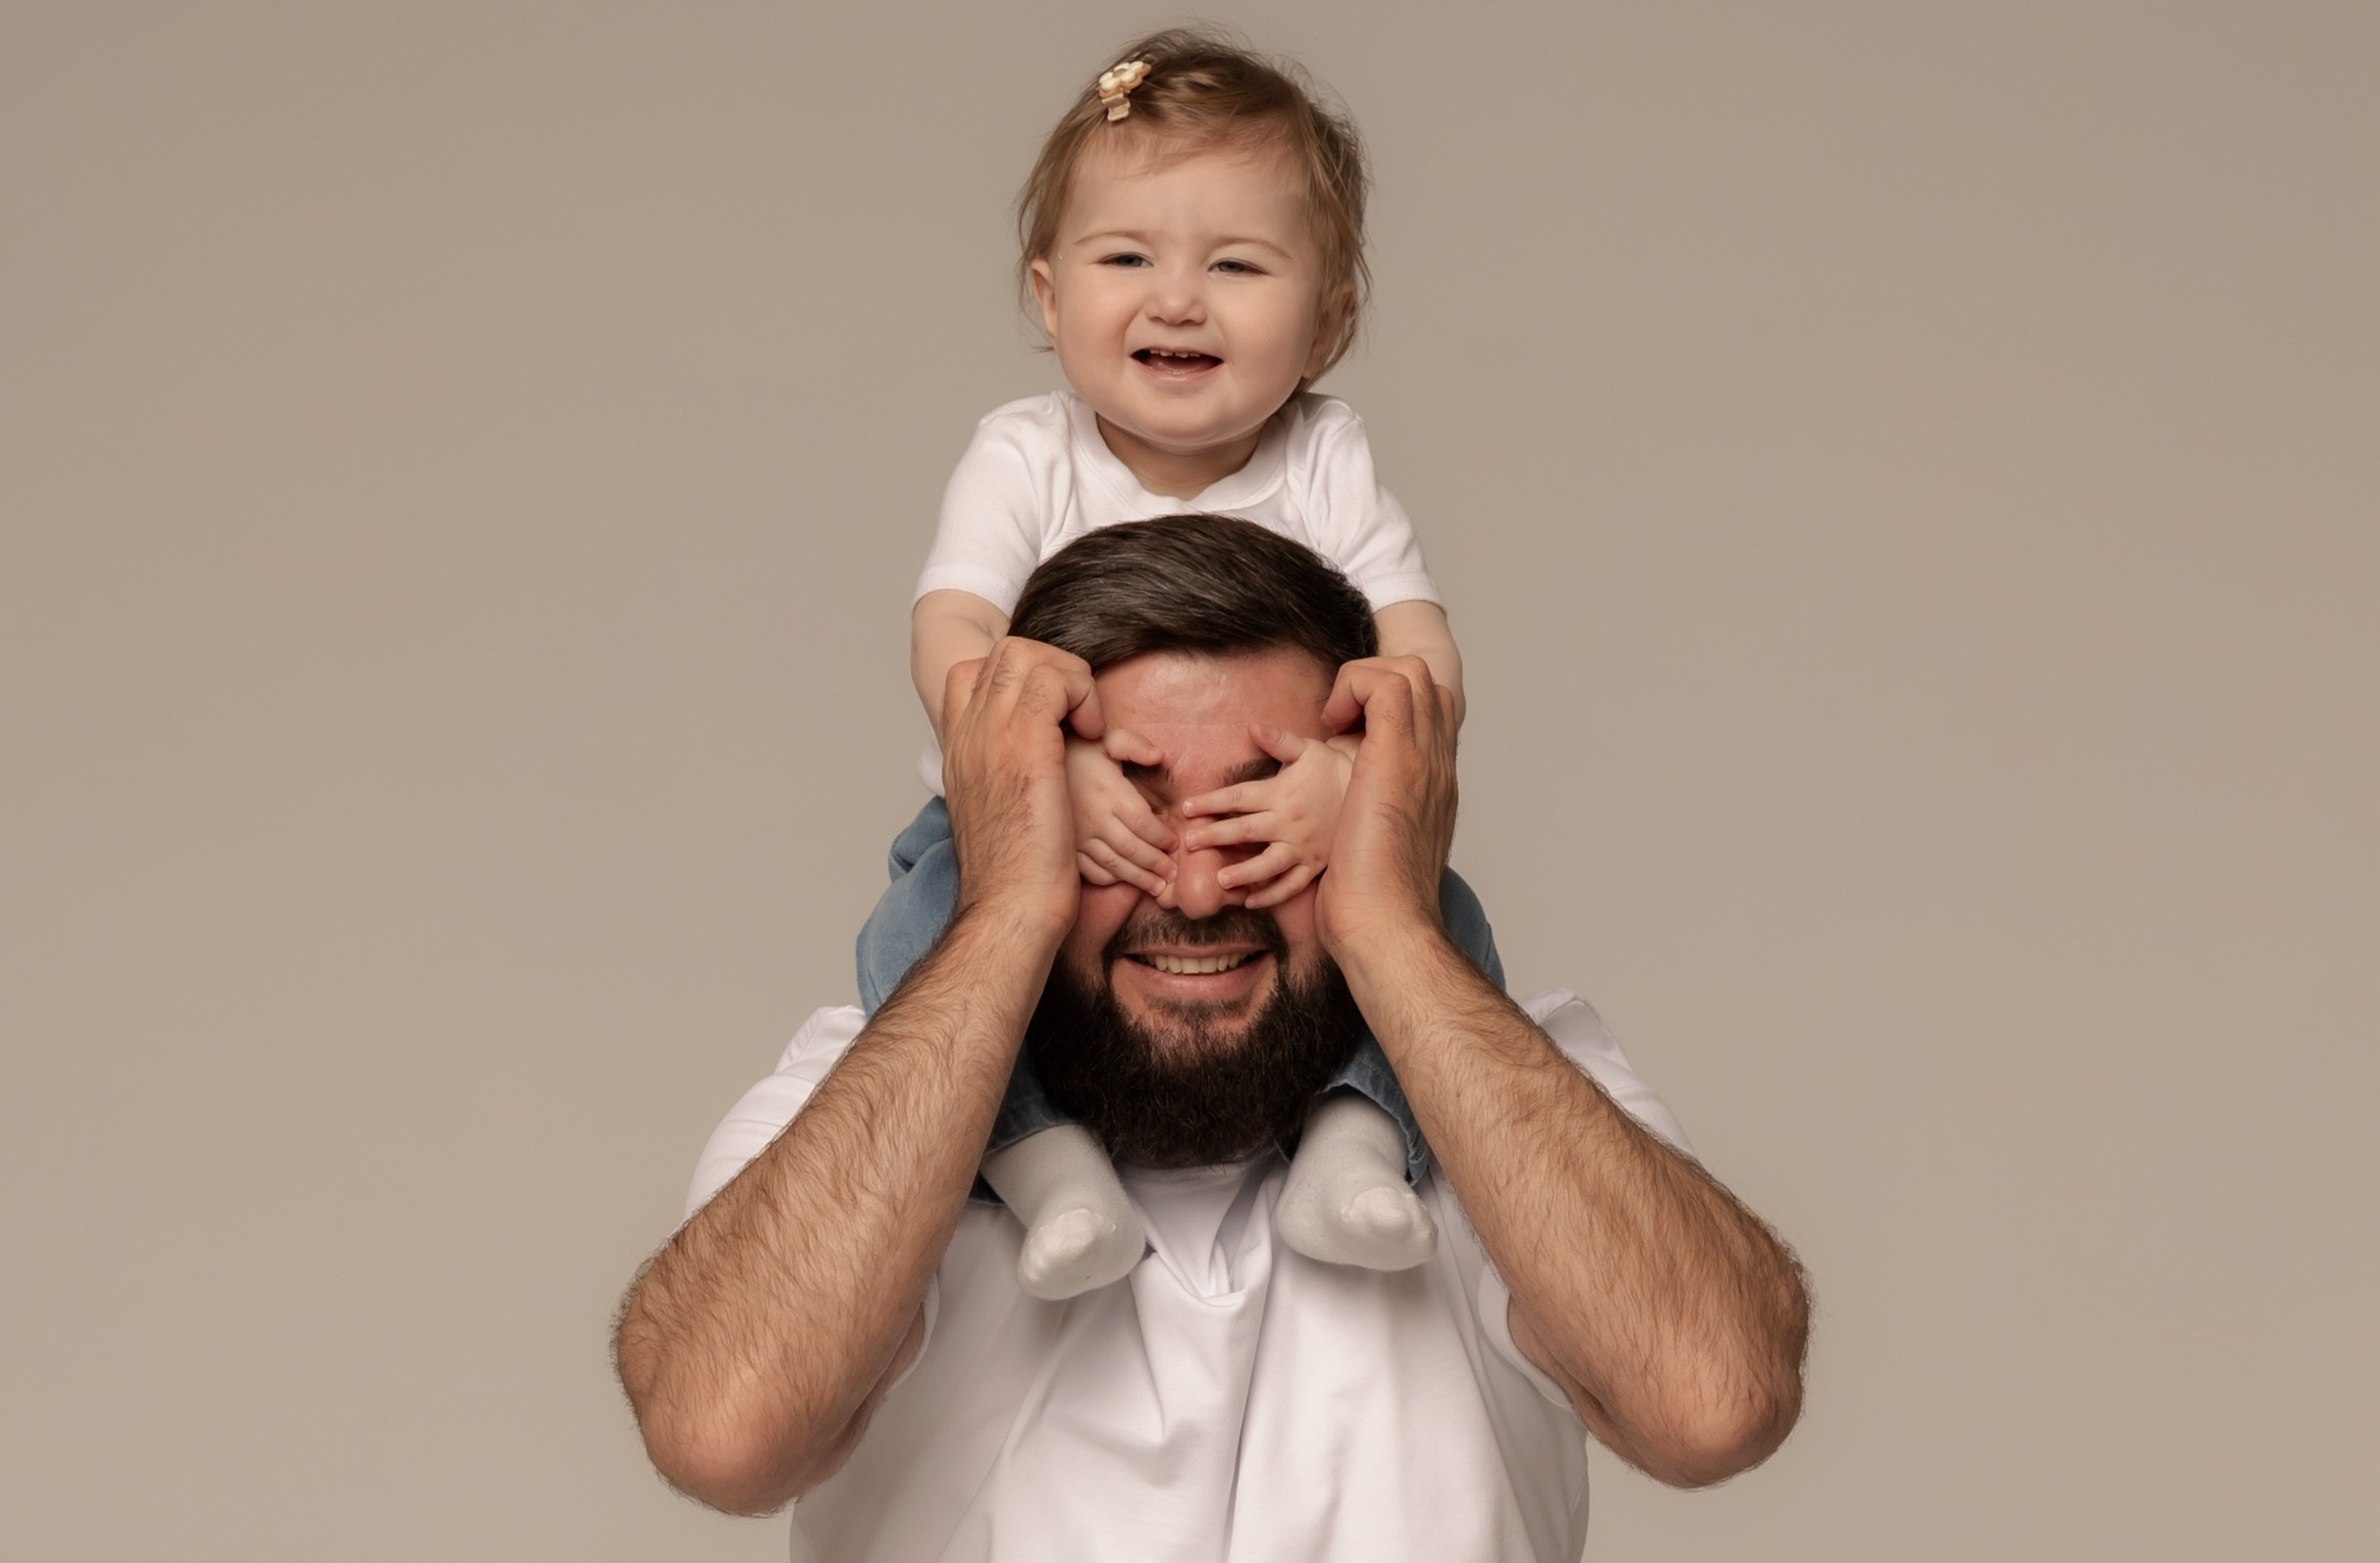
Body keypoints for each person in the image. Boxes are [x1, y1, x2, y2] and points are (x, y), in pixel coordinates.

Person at [612, 516, 1811, 1563]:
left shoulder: (1515, 1080)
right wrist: (1007, 906)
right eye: (1125, 813)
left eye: (1264, 811)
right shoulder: (867, 1086)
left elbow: (1710, 1403)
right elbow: (726, 1434)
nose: (1192, 887)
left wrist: (1391, 921)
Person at [869, 27, 1495, 1302]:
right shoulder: (1028, 456)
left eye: (1235, 264)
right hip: (1036, 812)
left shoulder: (1327, 461)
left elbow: (1419, 656)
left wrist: (1349, 775)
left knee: (1445, 920)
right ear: (1047, 298)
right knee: (915, 932)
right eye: (1127, 257)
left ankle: (1355, 1139)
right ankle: (1041, 1162)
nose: (1177, 298)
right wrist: (1037, 771)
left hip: (1278, 825)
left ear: (1328, 319)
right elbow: (949, 630)